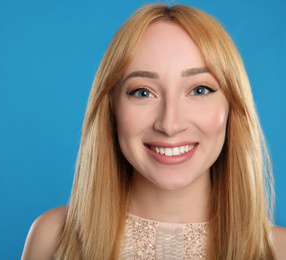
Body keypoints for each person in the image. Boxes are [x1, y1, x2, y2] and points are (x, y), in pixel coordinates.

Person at [21, 4, 286, 259]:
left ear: (232, 106)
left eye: (200, 90)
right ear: (111, 108)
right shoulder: (52, 238)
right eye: (143, 92)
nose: (170, 125)